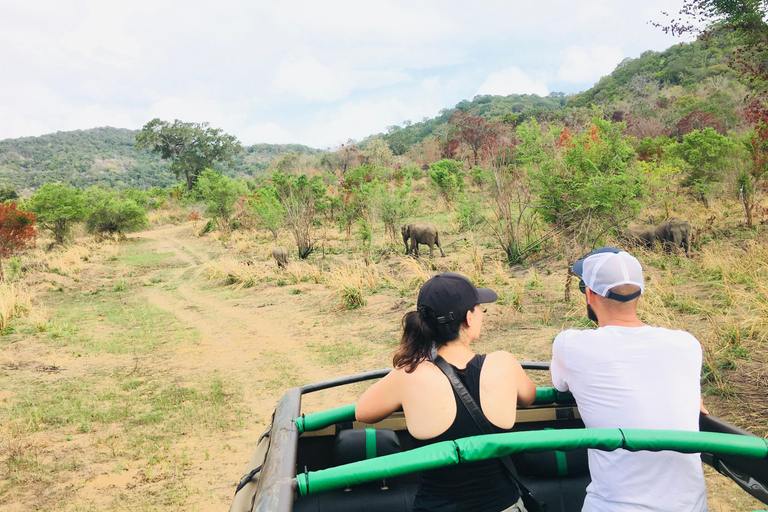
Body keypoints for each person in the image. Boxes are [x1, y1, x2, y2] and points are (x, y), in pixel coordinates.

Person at [356, 271, 537, 512]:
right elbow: (529, 396)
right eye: (479, 308)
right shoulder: (504, 364)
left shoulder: (408, 375)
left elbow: (362, 411)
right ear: (469, 319)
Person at [550, 247, 708, 512]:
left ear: (589, 294)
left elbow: (560, 386)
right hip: (691, 507)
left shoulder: (570, 344)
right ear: (640, 292)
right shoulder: (687, 344)